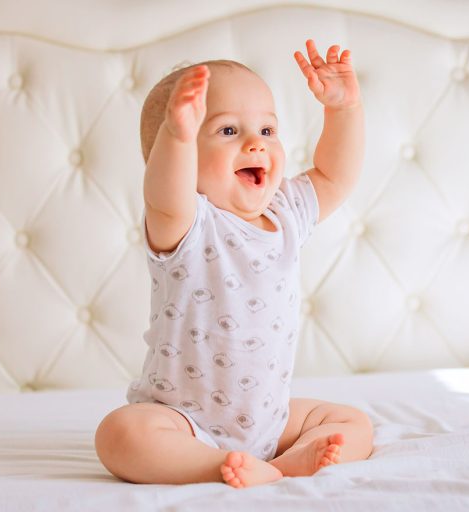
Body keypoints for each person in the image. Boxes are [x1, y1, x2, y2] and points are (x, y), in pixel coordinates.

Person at [95, 40, 373, 488]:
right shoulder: (187, 223)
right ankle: (212, 465)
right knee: (121, 435)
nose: (255, 145)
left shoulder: (286, 214)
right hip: (183, 421)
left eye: (267, 131)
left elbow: (333, 175)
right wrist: (176, 135)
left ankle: (286, 463)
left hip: (270, 419)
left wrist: (345, 110)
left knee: (352, 422)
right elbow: (163, 195)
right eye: (227, 131)